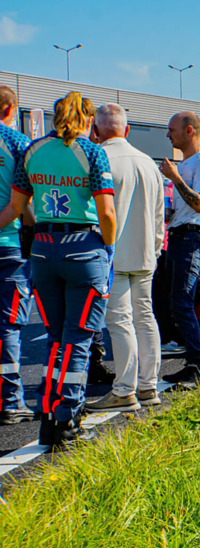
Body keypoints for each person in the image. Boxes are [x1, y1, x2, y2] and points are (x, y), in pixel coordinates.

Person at [9, 92, 117, 448]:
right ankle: (68, 419)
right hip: (83, 249)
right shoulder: (92, 152)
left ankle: (50, 415)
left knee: (56, 340)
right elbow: (107, 214)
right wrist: (108, 247)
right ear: (88, 119)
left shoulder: (32, 150)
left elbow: (17, 207)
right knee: (80, 339)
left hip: (43, 249)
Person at [85, 104, 164, 412]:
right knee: (145, 318)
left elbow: (97, 212)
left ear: (96, 130)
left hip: (112, 253)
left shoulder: (99, 158)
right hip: (145, 253)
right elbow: (160, 216)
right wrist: (155, 249)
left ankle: (124, 389)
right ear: (127, 129)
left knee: (119, 322)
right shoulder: (148, 163)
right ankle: (148, 386)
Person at [159, 111, 200, 386]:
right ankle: (190, 364)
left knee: (182, 301)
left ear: (189, 131)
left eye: (172, 129)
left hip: (191, 239)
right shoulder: (186, 164)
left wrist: (174, 177)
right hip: (178, 238)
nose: (168, 134)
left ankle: (197, 367)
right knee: (174, 302)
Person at [0, 86, 35, 425]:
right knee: (9, 325)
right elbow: (22, 201)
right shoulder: (17, 143)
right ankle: (11, 402)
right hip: (9, 244)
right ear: (11, 108)